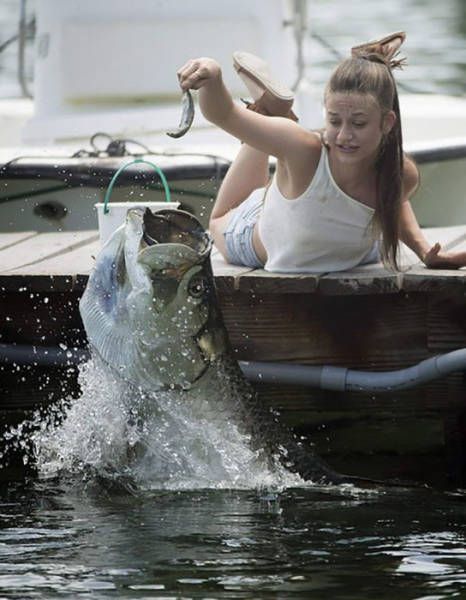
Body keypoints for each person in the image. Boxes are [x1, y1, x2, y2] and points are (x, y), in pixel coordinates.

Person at [177, 32, 466, 272]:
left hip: (356, 249)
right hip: (260, 235)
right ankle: (268, 115)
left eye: (359, 123)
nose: (344, 136)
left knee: (371, 236)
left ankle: (269, 115)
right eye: (334, 121)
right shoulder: (304, 148)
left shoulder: (401, 172)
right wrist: (212, 77)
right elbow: (225, 115)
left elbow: (392, 198)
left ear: (386, 122)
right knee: (218, 220)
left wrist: (425, 251)